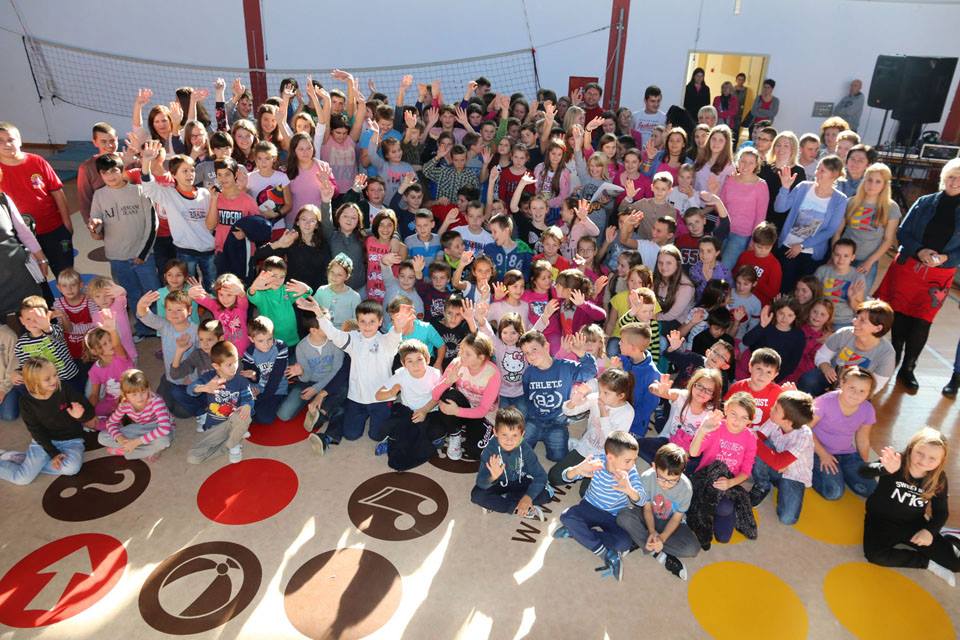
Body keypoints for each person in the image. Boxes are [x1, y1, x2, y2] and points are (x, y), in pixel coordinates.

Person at [874, 157, 960, 392]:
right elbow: (903, 231)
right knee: (900, 318)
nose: (955, 182)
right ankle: (893, 362)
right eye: (951, 177)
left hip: (938, 277)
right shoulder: (925, 202)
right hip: (909, 269)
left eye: (959, 179)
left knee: (922, 322)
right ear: (944, 178)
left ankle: (908, 368)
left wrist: (946, 258)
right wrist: (920, 251)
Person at [861, 427, 960, 586]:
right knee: (875, 556)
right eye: (920, 453)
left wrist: (929, 531)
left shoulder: (939, 479)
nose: (924, 461)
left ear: (941, 461)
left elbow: (941, 512)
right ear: (911, 448)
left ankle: (949, 536)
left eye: (932, 458)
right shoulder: (896, 461)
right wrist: (883, 468)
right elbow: (862, 471)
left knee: (956, 564)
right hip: (880, 520)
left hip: (913, 523)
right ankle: (926, 563)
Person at [555, 431, 646, 582]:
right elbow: (565, 476)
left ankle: (577, 533)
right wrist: (577, 470)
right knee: (566, 516)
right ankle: (604, 553)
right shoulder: (596, 463)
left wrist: (630, 490)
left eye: (634, 460)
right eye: (628, 461)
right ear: (610, 457)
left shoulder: (631, 472)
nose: (632, 464)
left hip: (613, 516)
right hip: (589, 507)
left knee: (624, 543)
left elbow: (642, 500)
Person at [0, 356, 92, 484]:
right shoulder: (25, 402)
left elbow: (90, 412)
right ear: (33, 382)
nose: (54, 380)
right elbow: (36, 430)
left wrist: (80, 416)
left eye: (55, 375)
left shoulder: (64, 388)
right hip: (43, 442)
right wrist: (53, 453)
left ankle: (25, 460)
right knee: (22, 479)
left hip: (72, 441)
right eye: (47, 379)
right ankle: (28, 464)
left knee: (72, 468)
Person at [617, 443, 700, 581]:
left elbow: (676, 518)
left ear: (682, 472)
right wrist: (651, 531)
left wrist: (662, 538)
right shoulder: (646, 477)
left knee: (692, 549)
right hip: (648, 515)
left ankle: (641, 540)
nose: (666, 484)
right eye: (661, 478)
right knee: (623, 516)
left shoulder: (686, 488)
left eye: (672, 481)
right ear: (654, 466)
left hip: (670, 521)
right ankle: (658, 553)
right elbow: (647, 508)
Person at [0, 122, 73, 276]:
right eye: (1, 141)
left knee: (66, 275)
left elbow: (57, 192)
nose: (6, 144)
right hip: (19, 237)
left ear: (20, 141)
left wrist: (66, 223)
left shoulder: (37, 161)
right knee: (36, 279)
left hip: (53, 229)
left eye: (10, 139)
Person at [548, 369, 635, 496]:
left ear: (621, 395)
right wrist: (573, 402)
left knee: (586, 493)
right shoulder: (595, 398)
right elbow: (568, 411)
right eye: (599, 390)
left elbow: (613, 441)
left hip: (605, 457)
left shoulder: (627, 412)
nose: (600, 395)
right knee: (553, 477)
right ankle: (580, 466)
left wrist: (604, 414)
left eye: (606, 393)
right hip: (585, 448)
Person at [773, 155, 847, 292]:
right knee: (783, 289)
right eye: (818, 169)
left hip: (811, 254)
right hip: (787, 248)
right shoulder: (803, 187)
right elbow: (779, 208)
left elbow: (830, 230)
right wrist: (785, 188)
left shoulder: (840, 200)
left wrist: (802, 246)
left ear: (834, 175)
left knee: (804, 293)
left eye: (822, 171)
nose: (816, 173)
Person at [798, 299, 896, 396]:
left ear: (878, 328)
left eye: (862, 320)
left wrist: (843, 394)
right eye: (856, 317)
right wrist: (826, 367)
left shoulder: (887, 354)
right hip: (832, 377)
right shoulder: (844, 333)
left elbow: (875, 387)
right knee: (808, 380)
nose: (854, 322)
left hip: (858, 390)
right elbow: (822, 355)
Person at [471, 407, 552, 520]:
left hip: (521, 481)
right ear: (495, 432)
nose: (509, 440)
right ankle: (516, 507)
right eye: (504, 435)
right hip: (498, 483)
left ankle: (504, 502)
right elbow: (481, 482)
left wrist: (528, 497)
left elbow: (541, 476)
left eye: (514, 435)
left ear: (522, 434)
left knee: (546, 494)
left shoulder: (526, 450)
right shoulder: (489, 451)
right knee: (477, 495)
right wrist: (492, 477)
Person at [810, 366, 878, 500]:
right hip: (817, 450)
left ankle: (842, 472)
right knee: (834, 492)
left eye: (862, 391)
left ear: (869, 393)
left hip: (846, 453)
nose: (856, 394)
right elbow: (805, 429)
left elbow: (863, 439)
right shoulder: (824, 402)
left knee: (871, 490)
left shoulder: (868, 409)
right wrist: (823, 454)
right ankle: (807, 470)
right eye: (852, 388)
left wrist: (862, 465)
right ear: (842, 383)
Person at [749, 390, 816, 525]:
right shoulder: (774, 419)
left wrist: (752, 438)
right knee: (760, 445)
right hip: (775, 464)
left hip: (793, 475)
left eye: (776, 409)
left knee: (787, 518)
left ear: (788, 421)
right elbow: (760, 436)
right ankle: (762, 485)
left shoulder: (804, 435)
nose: (771, 409)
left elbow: (778, 463)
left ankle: (781, 486)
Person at [374, 339, 442, 470]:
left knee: (433, 431)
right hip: (408, 411)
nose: (415, 365)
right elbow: (378, 395)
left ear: (427, 359)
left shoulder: (434, 374)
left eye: (419, 359)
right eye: (410, 361)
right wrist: (391, 392)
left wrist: (424, 411)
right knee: (389, 428)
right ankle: (391, 441)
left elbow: (439, 396)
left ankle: (433, 438)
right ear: (403, 364)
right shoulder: (401, 374)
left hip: (429, 411)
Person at [832, 163, 900, 291]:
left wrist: (870, 262)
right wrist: (834, 255)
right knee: (835, 294)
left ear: (884, 185)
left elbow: (888, 240)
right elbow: (837, 232)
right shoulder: (851, 202)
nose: (872, 185)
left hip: (867, 261)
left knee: (858, 298)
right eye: (869, 180)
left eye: (878, 182)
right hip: (843, 258)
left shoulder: (891, 207)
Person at [187, 341, 254, 464]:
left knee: (244, 415)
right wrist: (203, 388)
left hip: (234, 421)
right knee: (193, 458)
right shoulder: (209, 378)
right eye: (229, 364)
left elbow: (248, 398)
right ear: (216, 366)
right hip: (215, 426)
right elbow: (190, 389)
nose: (234, 367)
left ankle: (234, 443)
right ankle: (231, 442)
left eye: (236, 362)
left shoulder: (241, 381)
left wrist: (247, 405)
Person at [99, 369, 173, 461]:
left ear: (148, 388)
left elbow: (164, 428)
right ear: (125, 395)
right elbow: (111, 423)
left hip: (159, 427)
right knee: (102, 437)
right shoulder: (124, 405)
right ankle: (146, 450)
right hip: (141, 428)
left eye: (143, 392)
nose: (140, 397)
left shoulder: (156, 401)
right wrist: (120, 438)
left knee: (163, 441)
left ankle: (128, 451)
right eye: (134, 394)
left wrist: (136, 442)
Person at [759, 131, 805, 233]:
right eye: (778, 145)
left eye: (786, 146)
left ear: (793, 149)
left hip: (781, 222)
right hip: (759, 216)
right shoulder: (764, 166)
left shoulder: (798, 172)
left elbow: (797, 202)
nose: (781, 149)